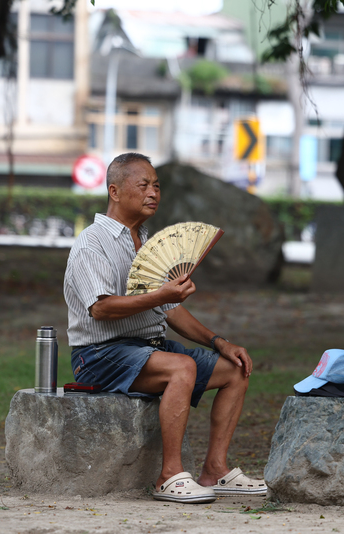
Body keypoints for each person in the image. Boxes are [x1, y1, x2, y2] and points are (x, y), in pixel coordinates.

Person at [63, 152, 266, 504]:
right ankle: (169, 476)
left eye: (156, 186)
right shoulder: (91, 243)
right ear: (114, 190)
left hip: (147, 349)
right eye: (143, 185)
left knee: (236, 369)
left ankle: (215, 470)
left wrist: (219, 342)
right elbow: (101, 307)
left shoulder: (145, 240)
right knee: (181, 368)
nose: (153, 192)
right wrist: (160, 294)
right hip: (98, 354)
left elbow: (170, 310)